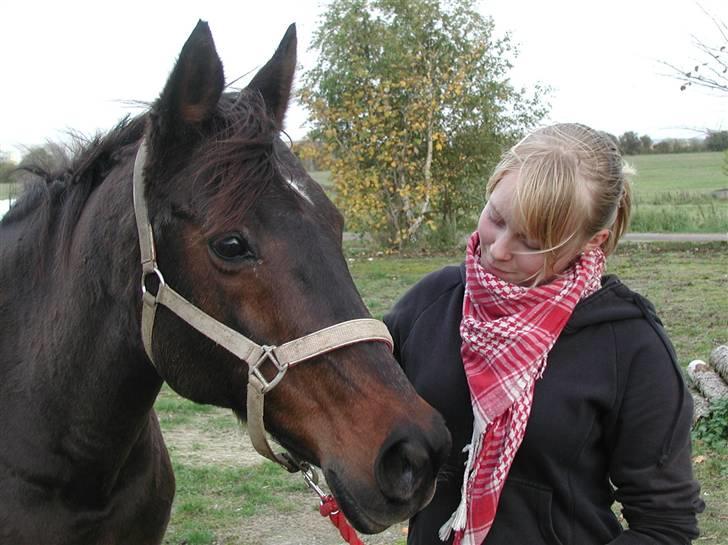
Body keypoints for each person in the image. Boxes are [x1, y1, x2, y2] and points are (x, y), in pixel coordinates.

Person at [384, 123, 704, 545]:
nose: (497, 249)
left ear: (594, 241)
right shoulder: (432, 303)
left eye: (532, 241)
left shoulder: (630, 346)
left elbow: (666, 525)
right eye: (496, 218)